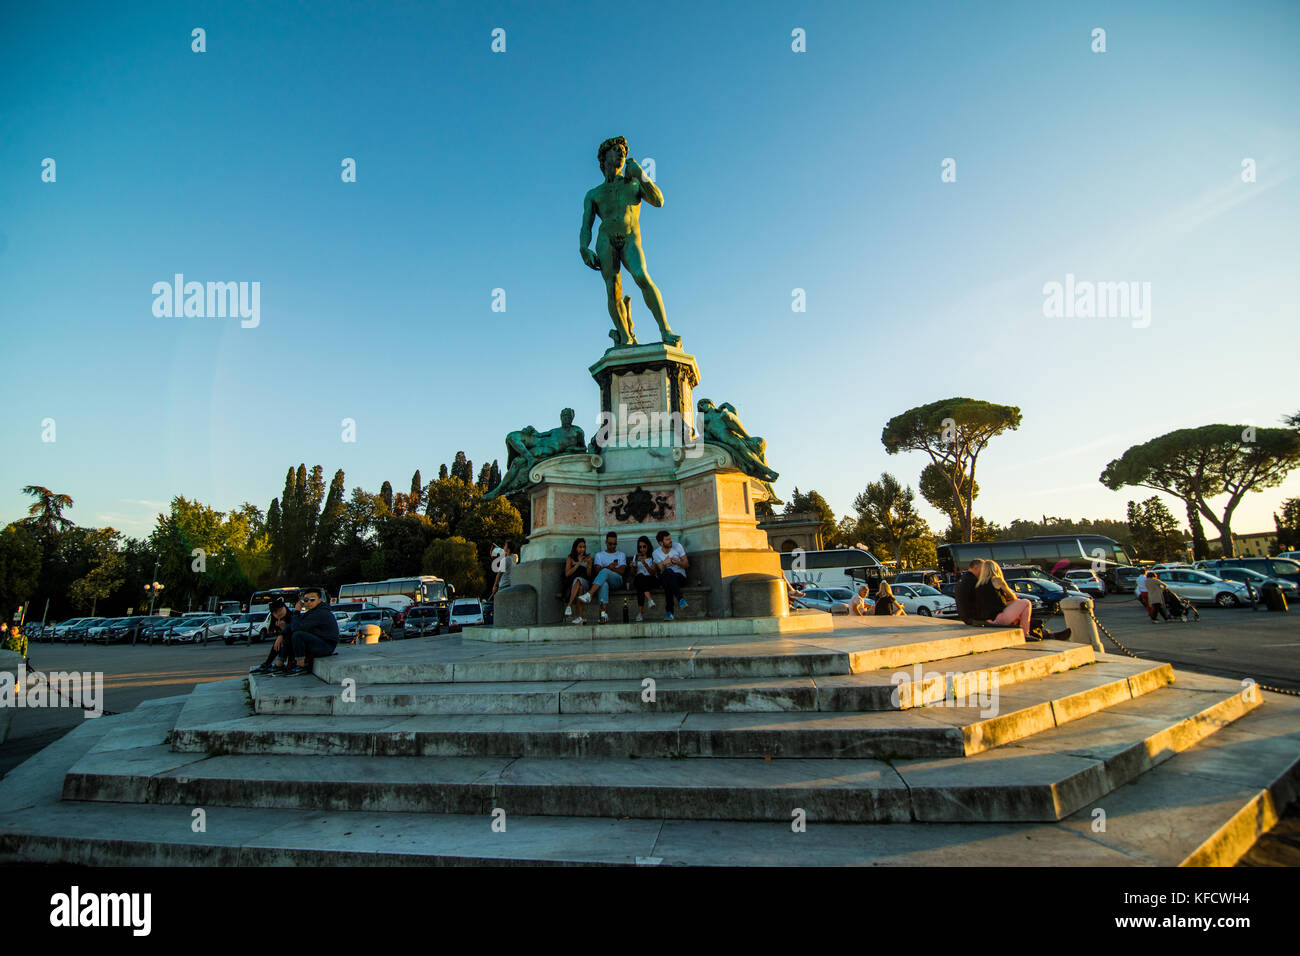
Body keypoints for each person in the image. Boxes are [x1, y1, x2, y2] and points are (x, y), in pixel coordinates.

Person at [275, 587, 339, 676]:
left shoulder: (320, 613)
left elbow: (296, 628)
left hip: (326, 646)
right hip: (318, 642)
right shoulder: (312, 612)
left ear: (319, 600)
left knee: (298, 635)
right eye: (306, 600)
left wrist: (297, 611)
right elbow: (293, 625)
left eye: (312, 599)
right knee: (288, 635)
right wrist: (281, 634)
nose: (309, 602)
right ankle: (279, 665)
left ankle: (301, 666)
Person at [579, 532, 628, 624]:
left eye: (615, 544)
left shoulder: (621, 555)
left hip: (617, 581)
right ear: (606, 542)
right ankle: (603, 615)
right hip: (603, 581)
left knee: (604, 572)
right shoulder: (599, 555)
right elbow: (597, 571)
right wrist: (611, 567)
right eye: (610, 544)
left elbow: (622, 571)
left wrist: (608, 569)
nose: (613, 546)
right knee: (604, 584)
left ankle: (589, 594)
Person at [974, 560, 1033, 637]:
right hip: (998, 618)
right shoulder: (997, 580)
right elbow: (1012, 596)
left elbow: (991, 602)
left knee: (1018, 602)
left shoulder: (979, 584)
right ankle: (1025, 633)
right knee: (1026, 603)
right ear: (995, 569)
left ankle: (1021, 629)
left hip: (986, 619)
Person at [250, 598, 294, 675]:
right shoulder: (277, 622)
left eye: (280, 610)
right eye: (275, 612)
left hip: (297, 646)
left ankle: (278, 663)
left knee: (283, 640)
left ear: (284, 607)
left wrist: (282, 631)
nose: (278, 613)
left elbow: (292, 635)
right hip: (288, 646)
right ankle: (268, 663)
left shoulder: (293, 617)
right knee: (279, 642)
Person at [652, 530, 689, 620]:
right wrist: (664, 563)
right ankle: (680, 599)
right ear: (661, 543)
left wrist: (678, 562)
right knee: (667, 573)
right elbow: (661, 569)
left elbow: (686, 565)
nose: (670, 541)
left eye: (670, 538)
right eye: (667, 539)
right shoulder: (656, 553)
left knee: (668, 581)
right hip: (667, 577)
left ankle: (669, 612)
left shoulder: (678, 546)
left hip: (680, 577)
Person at [563, 538, 595, 623]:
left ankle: (569, 605)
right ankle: (580, 617)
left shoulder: (587, 558)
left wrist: (589, 564)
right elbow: (567, 574)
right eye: (580, 547)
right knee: (579, 587)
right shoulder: (570, 558)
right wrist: (578, 563)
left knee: (579, 581)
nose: (582, 549)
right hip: (572, 584)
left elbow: (589, 575)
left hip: (585, 582)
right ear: (575, 548)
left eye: (584, 547)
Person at [630, 536, 659, 622]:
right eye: (640, 547)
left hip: (651, 580)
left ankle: (640, 613)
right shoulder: (636, 556)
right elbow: (633, 574)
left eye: (644, 546)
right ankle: (650, 600)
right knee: (640, 577)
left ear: (648, 546)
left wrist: (645, 564)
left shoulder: (653, 556)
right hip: (639, 579)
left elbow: (653, 573)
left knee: (640, 587)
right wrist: (633, 567)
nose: (642, 549)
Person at [955, 559, 983, 624]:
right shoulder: (973, 580)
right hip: (973, 617)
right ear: (976, 567)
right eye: (983, 568)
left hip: (965, 616)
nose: (983, 571)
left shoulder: (964, 578)